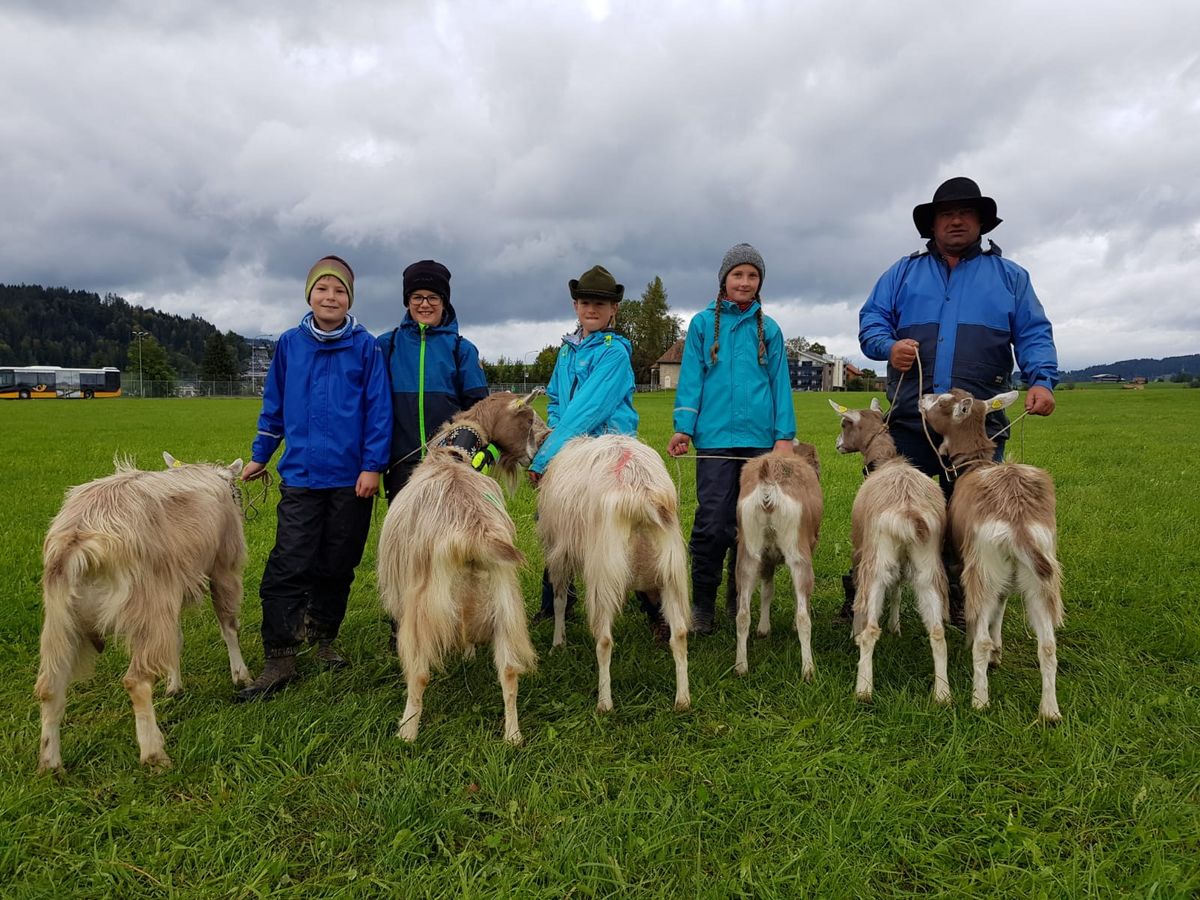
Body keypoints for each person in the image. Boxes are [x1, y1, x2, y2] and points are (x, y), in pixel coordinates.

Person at [853, 176, 1059, 622]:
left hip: (976, 427)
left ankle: (967, 598)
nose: (957, 221)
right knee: (885, 509)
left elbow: (1034, 333)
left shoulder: (1010, 278)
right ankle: (864, 590)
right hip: (911, 421)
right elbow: (871, 321)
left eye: (966, 213)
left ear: (981, 222)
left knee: (972, 519)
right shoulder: (902, 273)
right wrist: (889, 346)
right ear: (933, 224)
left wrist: (1042, 380)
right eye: (947, 214)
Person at [235, 255, 392, 701]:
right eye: (322, 289)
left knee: (338, 562)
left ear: (350, 299)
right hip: (302, 477)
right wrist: (260, 456)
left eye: (339, 290)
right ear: (309, 295)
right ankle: (280, 656)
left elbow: (378, 410)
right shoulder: (290, 344)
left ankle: (323, 636)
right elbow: (274, 405)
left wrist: (371, 466)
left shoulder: (366, 347)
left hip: (351, 480)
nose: (331, 297)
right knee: (289, 562)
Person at [667, 243, 796, 635]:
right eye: (737, 274)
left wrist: (784, 438)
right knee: (712, 522)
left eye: (752, 276)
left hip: (759, 443)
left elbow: (780, 384)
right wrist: (684, 427)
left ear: (760, 283)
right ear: (724, 280)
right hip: (715, 440)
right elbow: (691, 379)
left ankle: (738, 596)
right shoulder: (702, 326)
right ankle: (702, 603)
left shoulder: (769, 329)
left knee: (751, 523)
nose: (744, 282)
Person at [527, 265, 663, 634]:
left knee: (625, 526)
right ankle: (555, 604)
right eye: (586, 302)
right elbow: (557, 400)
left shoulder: (613, 353)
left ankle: (657, 610)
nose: (592, 309)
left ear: (613, 309)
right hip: (571, 450)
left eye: (600, 304)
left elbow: (588, 410)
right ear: (575, 305)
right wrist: (557, 436)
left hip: (607, 450)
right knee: (556, 523)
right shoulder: (566, 352)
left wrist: (545, 456)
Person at [376, 260, 489, 501]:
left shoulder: (462, 350)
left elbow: (480, 410)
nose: (425, 304)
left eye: (433, 298)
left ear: (444, 301)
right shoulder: (387, 345)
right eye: (417, 297)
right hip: (401, 467)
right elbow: (373, 406)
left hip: (450, 468)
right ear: (407, 301)